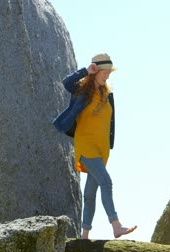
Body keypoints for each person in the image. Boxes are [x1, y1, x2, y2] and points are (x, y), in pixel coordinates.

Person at [53, 53, 137, 239]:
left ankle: (84, 236)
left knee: (90, 192)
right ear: (95, 71)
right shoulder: (83, 91)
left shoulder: (107, 94)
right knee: (106, 182)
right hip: (86, 144)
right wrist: (85, 71)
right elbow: (66, 83)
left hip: (102, 148)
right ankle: (116, 225)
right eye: (104, 72)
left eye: (109, 72)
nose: (107, 76)